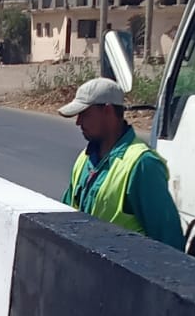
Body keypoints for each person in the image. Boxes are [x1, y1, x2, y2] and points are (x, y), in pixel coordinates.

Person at [60, 77, 184, 250]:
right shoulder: (84, 159)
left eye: (85, 114)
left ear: (108, 111)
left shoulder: (142, 164)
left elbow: (168, 240)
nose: (78, 122)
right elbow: (64, 215)